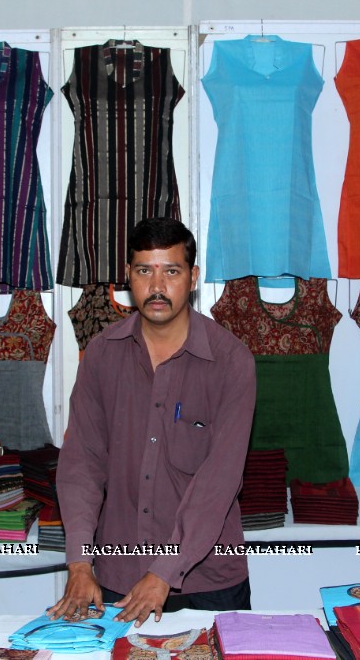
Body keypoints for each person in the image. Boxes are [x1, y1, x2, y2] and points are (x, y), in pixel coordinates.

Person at [50, 217, 256, 627]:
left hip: (208, 583)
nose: (157, 287)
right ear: (129, 276)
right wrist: (78, 563)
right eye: (145, 270)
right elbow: (80, 465)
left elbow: (219, 481)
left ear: (193, 277)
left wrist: (164, 571)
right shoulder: (103, 356)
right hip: (113, 579)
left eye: (171, 271)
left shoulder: (231, 362)